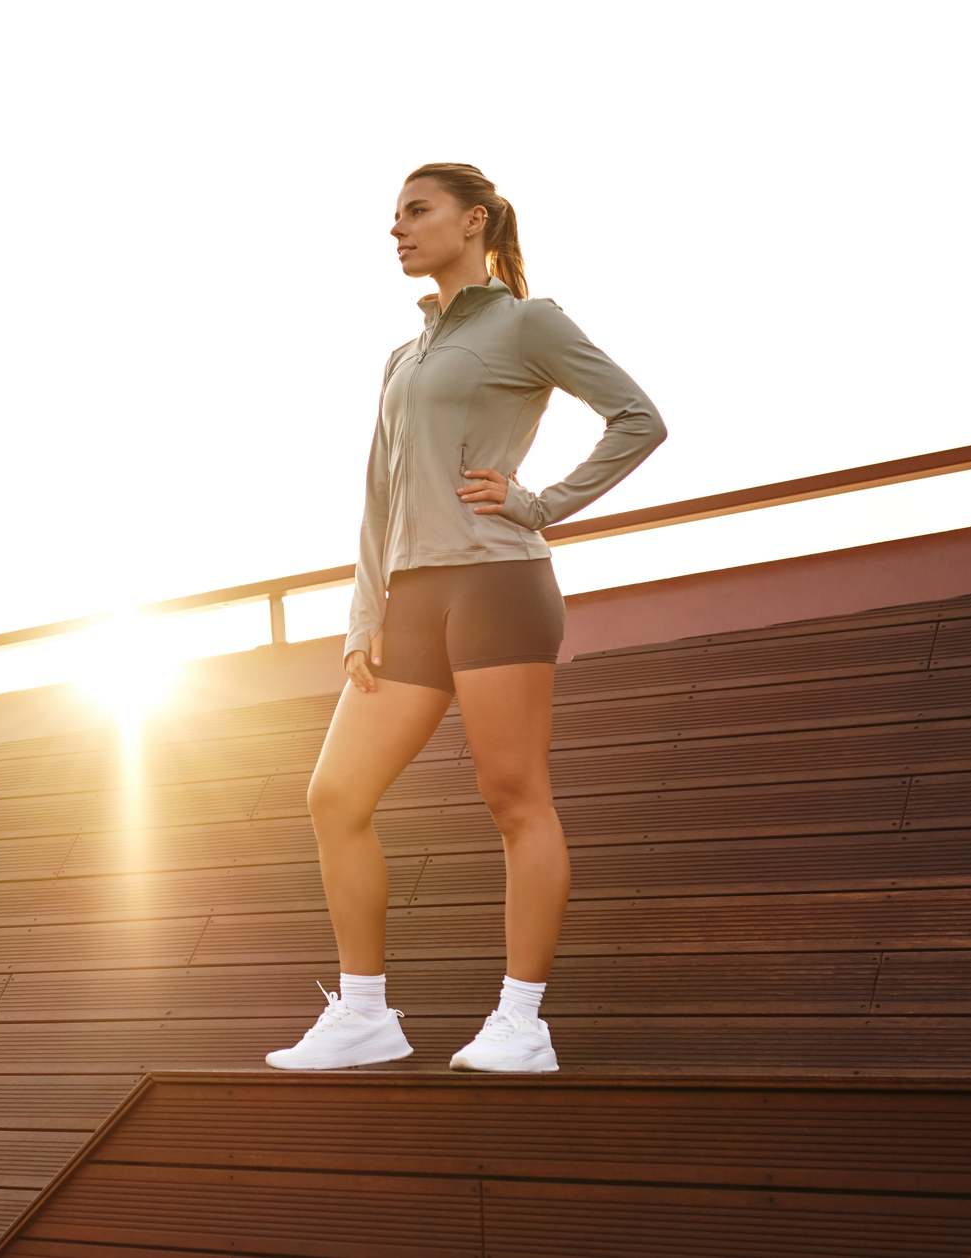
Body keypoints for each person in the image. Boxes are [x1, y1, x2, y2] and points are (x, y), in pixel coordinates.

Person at [265, 163, 667, 1073]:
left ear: (472, 220)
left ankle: (522, 1023)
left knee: (512, 798)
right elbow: (378, 491)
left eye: (416, 211)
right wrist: (362, 613)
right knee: (334, 796)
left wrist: (539, 503)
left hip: (496, 586)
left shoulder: (527, 322)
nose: (397, 229)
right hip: (410, 599)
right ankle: (365, 1014)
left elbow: (636, 418)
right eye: (393, 216)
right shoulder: (401, 358)